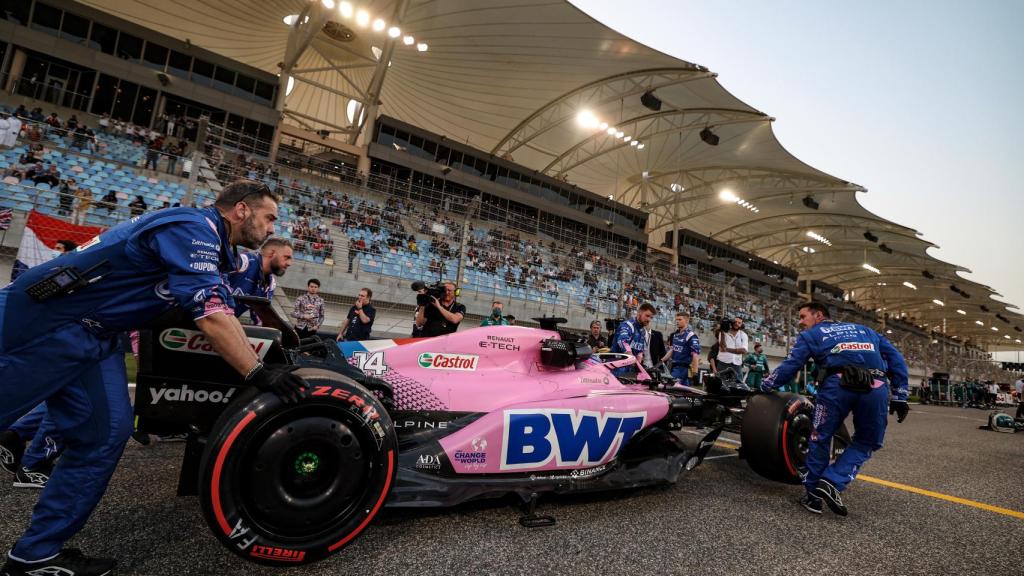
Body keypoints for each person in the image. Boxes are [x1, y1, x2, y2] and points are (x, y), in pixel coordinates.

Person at [0, 180, 307, 576]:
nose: (271, 229)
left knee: (105, 433)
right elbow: (210, 312)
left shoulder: (220, 250)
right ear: (242, 210)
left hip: (97, 337)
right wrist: (258, 372)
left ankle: (35, 556)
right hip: (41, 323)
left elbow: (207, 309)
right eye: (269, 218)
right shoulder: (195, 227)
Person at [760, 302, 908, 517]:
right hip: (875, 387)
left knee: (820, 437)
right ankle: (832, 480)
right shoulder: (865, 330)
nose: (800, 322)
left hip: (837, 386)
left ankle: (814, 496)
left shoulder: (812, 335)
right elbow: (896, 359)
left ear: (818, 315)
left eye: (803, 316)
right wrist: (900, 395)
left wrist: (766, 385)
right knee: (868, 441)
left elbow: (792, 364)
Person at [227, 237, 293, 324]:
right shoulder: (245, 262)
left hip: (224, 325)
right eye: (286, 257)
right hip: (207, 317)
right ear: (272, 253)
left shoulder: (270, 284)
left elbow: (260, 318)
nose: (289, 263)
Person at [610, 303, 655, 376]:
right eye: (647, 316)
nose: (649, 319)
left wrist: (639, 360)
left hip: (630, 371)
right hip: (617, 367)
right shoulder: (628, 325)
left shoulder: (643, 331)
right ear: (639, 312)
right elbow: (622, 341)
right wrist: (631, 357)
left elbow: (640, 351)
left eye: (651, 317)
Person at [662, 312, 700, 386]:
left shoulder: (691, 335)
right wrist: (661, 361)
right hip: (674, 367)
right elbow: (672, 350)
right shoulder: (676, 335)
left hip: (683, 368)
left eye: (680, 319)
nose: (677, 321)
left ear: (687, 321)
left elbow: (695, 355)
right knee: (684, 392)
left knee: (669, 387)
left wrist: (695, 373)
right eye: (676, 320)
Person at [717, 317, 748, 385]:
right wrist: (722, 332)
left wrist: (727, 349)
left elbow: (744, 351)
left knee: (739, 386)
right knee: (720, 385)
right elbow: (722, 347)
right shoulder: (722, 333)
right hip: (723, 363)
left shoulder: (744, 335)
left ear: (741, 325)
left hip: (737, 364)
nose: (737, 324)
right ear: (732, 322)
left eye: (739, 323)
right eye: (735, 322)